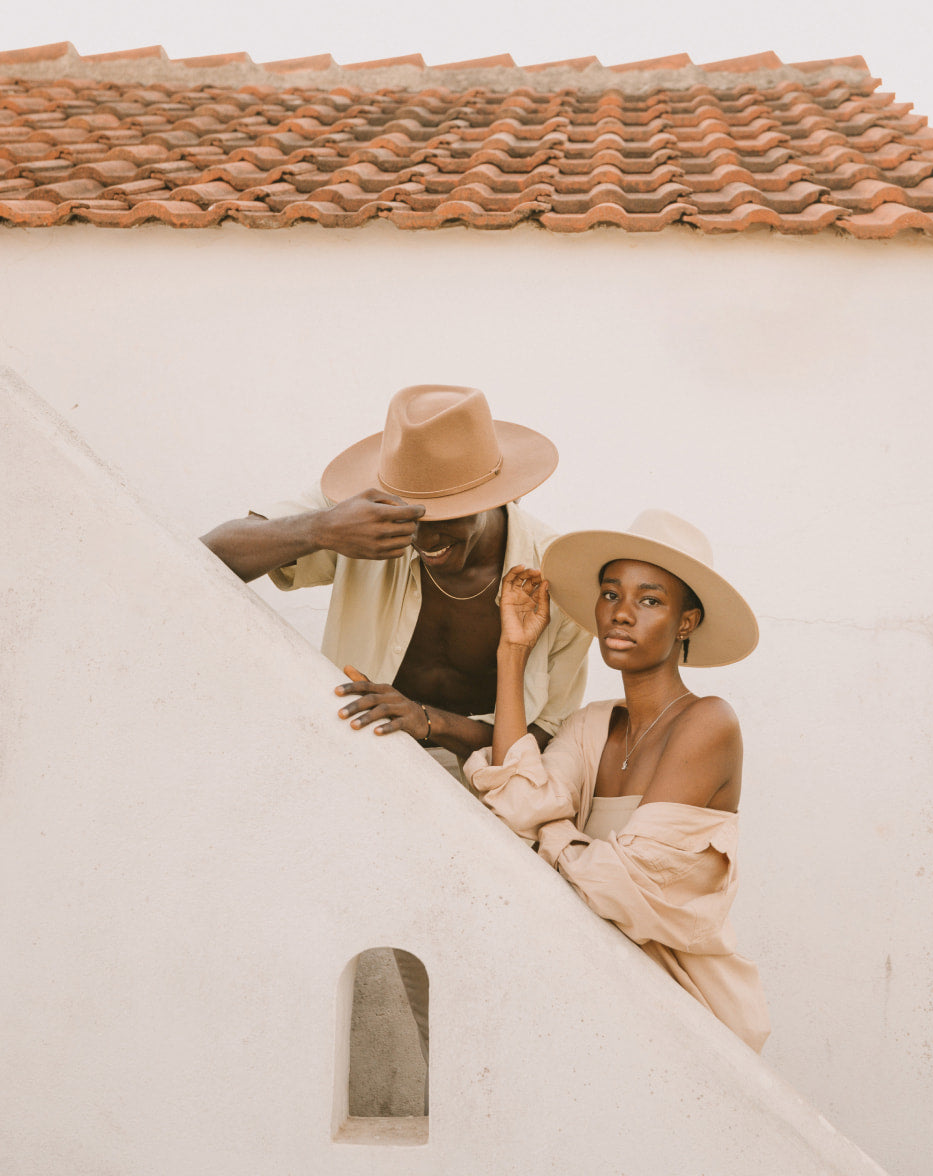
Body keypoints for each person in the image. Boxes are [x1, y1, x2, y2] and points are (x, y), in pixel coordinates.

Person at [463, 510, 770, 1051]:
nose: (622, 614)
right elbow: (510, 799)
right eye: (610, 594)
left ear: (686, 622)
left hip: (696, 1017)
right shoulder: (591, 725)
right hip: (600, 1006)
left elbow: (618, 887)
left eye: (650, 600)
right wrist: (513, 651)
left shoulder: (708, 723)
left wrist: (545, 831)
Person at [200, 384, 592, 778]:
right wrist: (321, 528)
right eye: (408, 516)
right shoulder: (357, 515)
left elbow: (543, 738)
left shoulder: (558, 579)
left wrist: (427, 720)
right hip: (348, 768)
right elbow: (209, 554)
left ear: (498, 496)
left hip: (481, 804)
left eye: (441, 517)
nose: (422, 539)